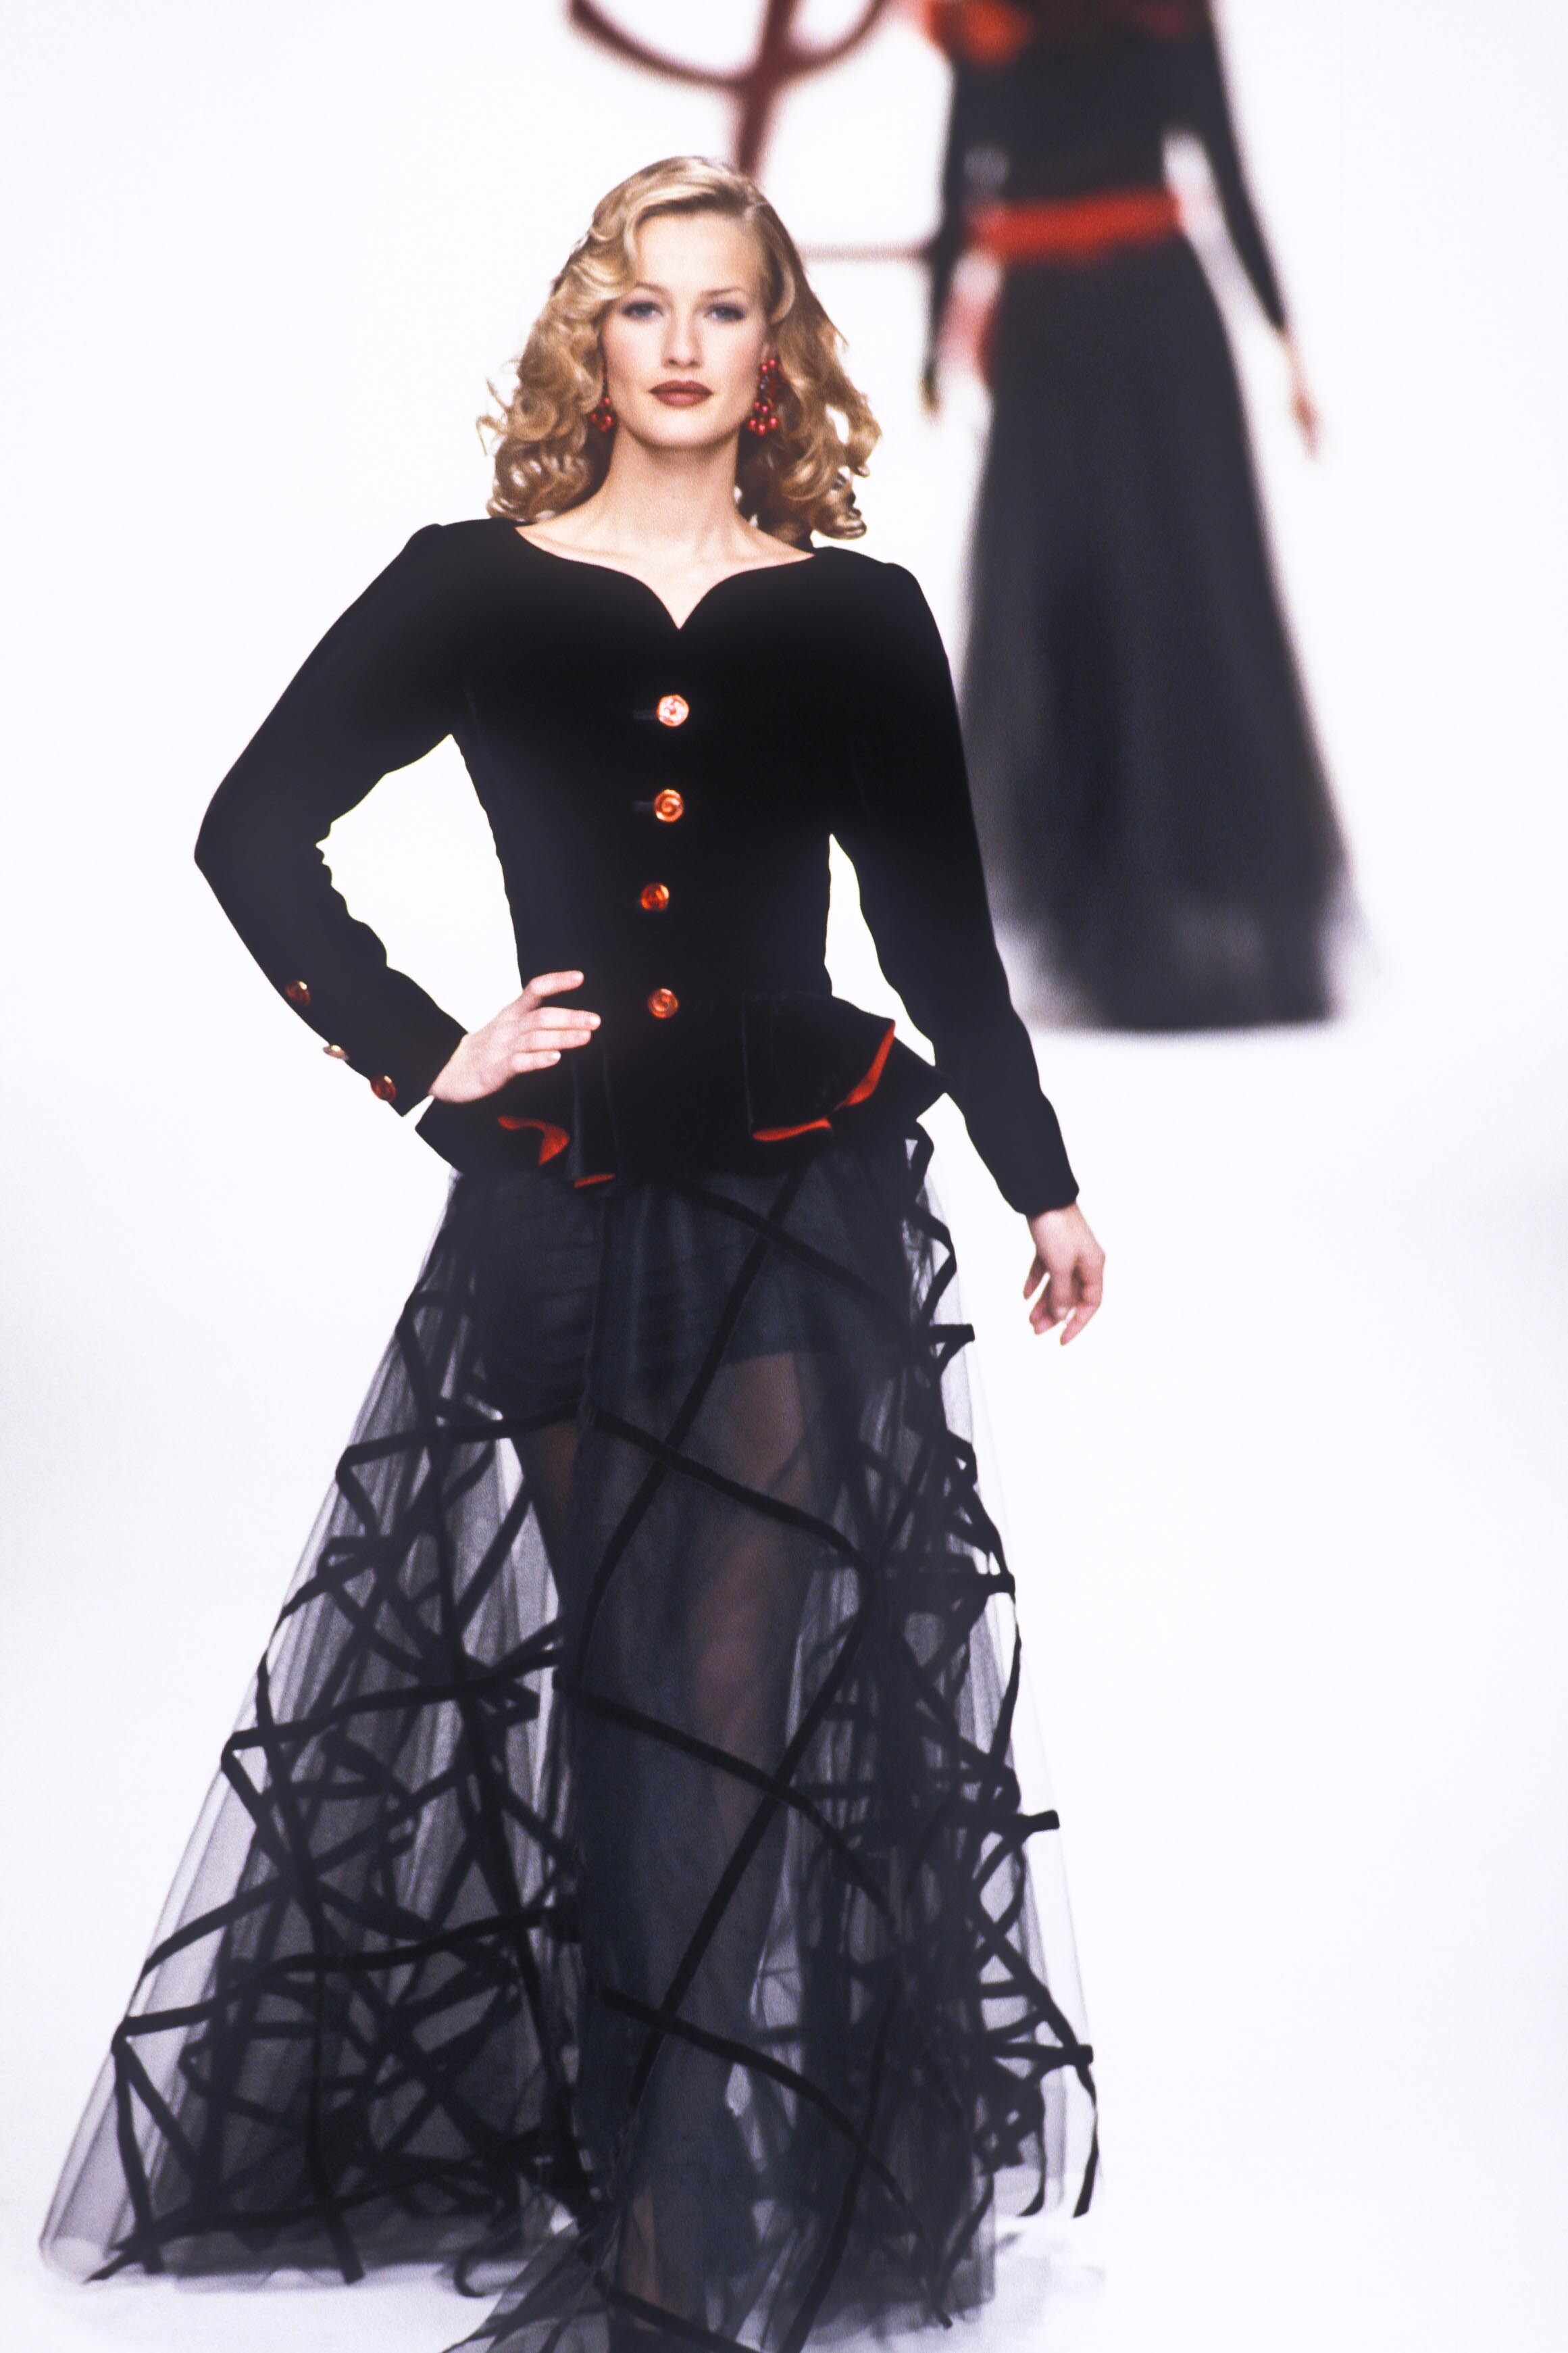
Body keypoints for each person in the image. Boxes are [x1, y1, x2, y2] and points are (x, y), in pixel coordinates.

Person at [41, 157, 1104, 2353]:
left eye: (723, 307)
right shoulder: (473, 587)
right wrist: (425, 1056)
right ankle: (666, 2193)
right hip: (562, 1199)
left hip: (797, 1199)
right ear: (588, 340)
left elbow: (937, 932)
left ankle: (684, 2240)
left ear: (774, 349)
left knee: (736, 1708)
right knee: (625, 1704)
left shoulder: (856, 612)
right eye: (643, 305)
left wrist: (1042, 1178)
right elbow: (250, 833)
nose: (682, 344)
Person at [926, 0, 1348, 1029]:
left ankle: (1113, 903)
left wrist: (933, 345)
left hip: (1066, 329)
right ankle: (1177, 898)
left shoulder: (993, 24)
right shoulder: (1154, 19)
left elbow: (958, 191)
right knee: (1181, 587)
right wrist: (1284, 341)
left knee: (1085, 594)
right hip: (1144, 321)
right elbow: (1226, 174)